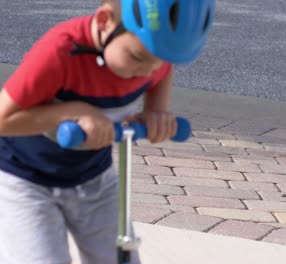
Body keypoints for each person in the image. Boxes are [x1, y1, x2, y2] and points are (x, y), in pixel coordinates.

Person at [0, 0, 215, 263]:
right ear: (104, 22)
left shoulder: (149, 55)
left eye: (157, 63)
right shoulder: (60, 52)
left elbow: (161, 73)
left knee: (118, 257)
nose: (146, 72)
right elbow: (3, 118)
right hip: (25, 179)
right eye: (138, 58)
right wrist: (72, 111)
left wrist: (156, 111)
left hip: (94, 178)